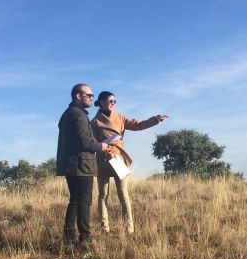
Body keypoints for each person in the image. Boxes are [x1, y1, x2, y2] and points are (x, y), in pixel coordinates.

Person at [90, 91, 167, 234]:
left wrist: (154, 120)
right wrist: (103, 148)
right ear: (101, 102)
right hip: (103, 158)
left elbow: (138, 125)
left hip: (118, 158)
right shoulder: (94, 122)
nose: (113, 103)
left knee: (123, 194)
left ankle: (129, 228)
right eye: (110, 101)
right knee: (102, 195)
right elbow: (92, 142)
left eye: (114, 101)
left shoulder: (120, 117)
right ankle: (104, 228)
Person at [56, 84, 112, 245]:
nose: (92, 98)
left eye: (92, 96)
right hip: (82, 164)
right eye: (89, 95)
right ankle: (85, 238)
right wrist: (102, 146)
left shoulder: (67, 114)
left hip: (70, 163)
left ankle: (68, 236)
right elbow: (85, 142)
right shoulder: (79, 115)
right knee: (84, 200)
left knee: (75, 199)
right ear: (77, 96)